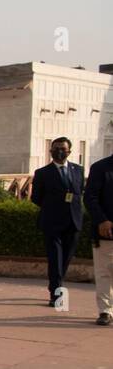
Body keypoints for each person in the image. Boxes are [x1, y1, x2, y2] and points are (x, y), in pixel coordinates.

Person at [31, 136, 85, 307]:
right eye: (56, 148)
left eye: (63, 148)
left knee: (66, 258)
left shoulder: (78, 170)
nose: (59, 151)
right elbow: (36, 198)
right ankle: (57, 294)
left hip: (73, 221)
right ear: (51, 151)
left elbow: (79, 192)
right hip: (52, 222)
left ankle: (56, 282)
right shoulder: (42, 173)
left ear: (69, 151)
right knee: (55, 259)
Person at [84, 150, 113, 326]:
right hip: (106, 230)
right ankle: (105, 311)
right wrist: (102, 220)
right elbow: (90, 197)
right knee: (104, 272)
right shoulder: (101, 168)